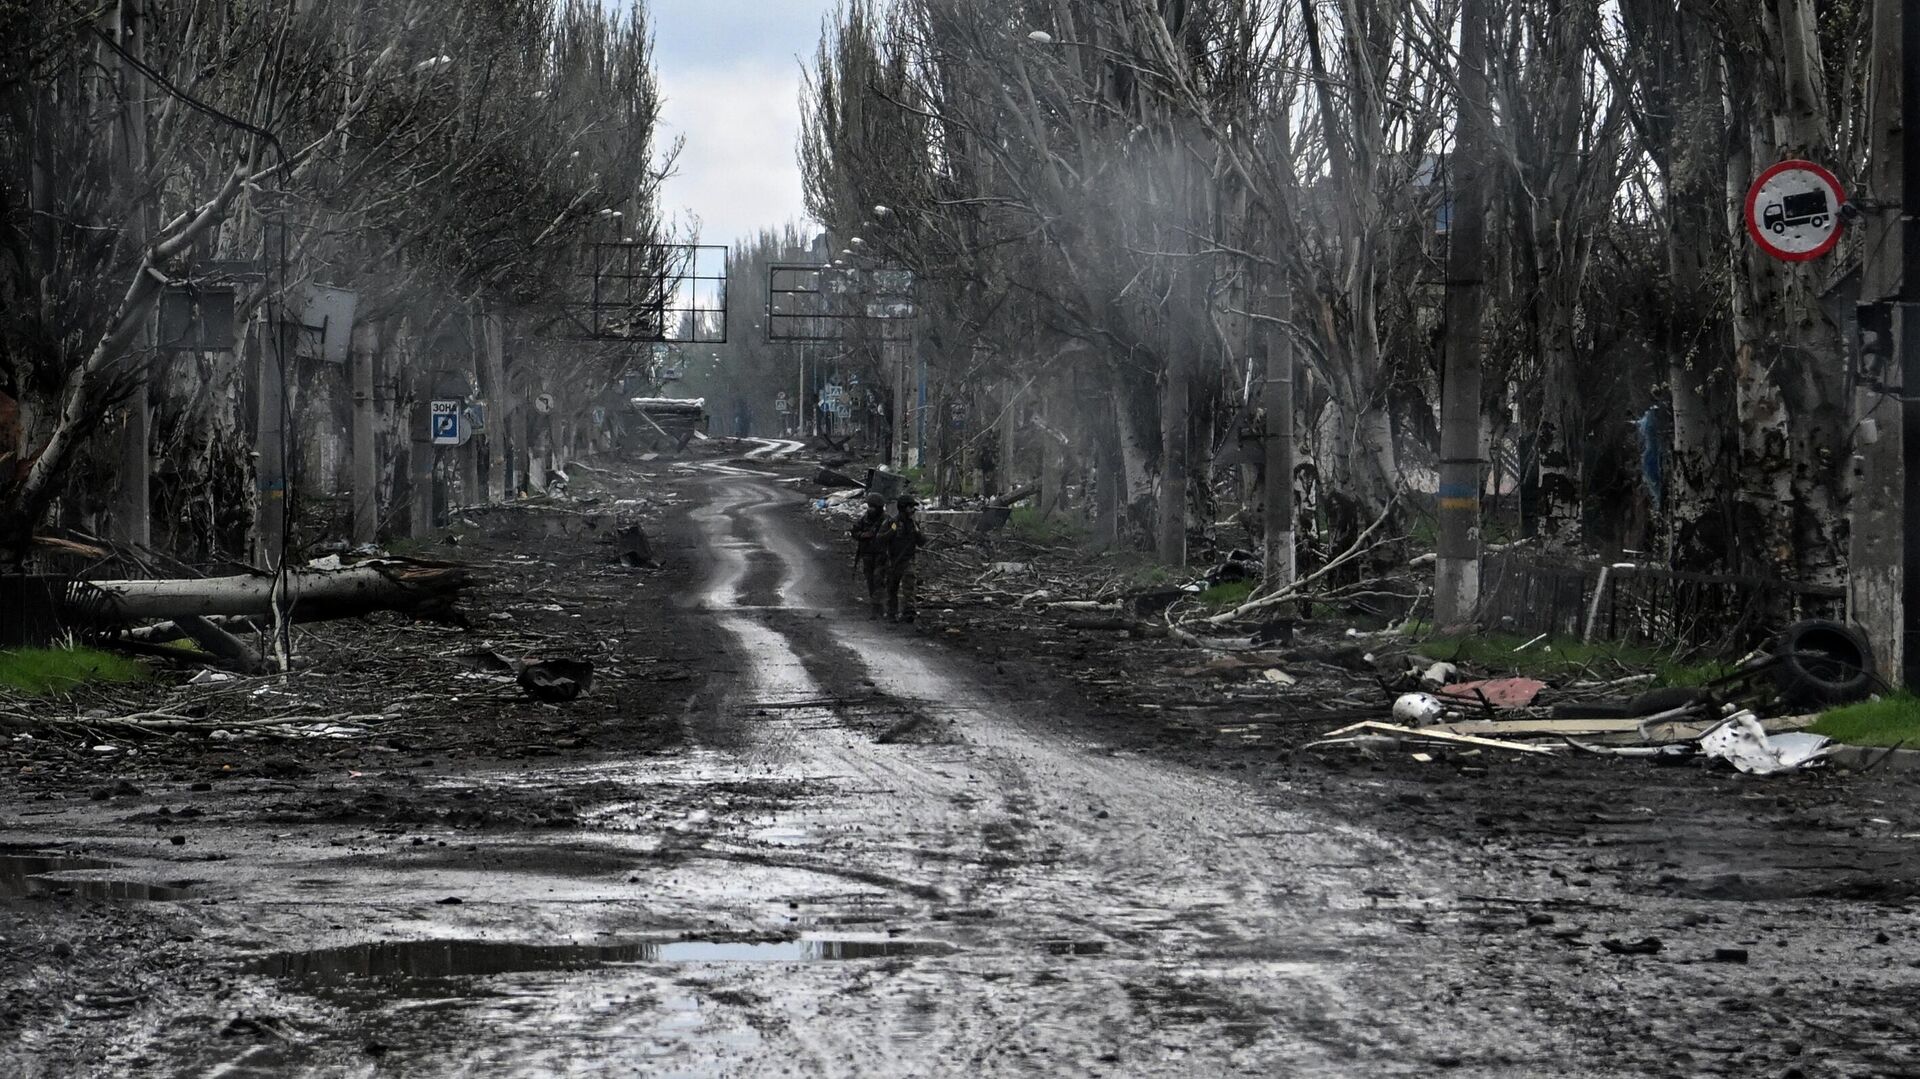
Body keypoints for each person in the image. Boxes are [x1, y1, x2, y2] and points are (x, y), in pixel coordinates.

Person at [880, 494, 924, 623]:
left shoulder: (914, 524)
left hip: (908, 560)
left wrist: (917, 533)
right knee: (892, 587)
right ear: (903, 508)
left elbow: (922, 542)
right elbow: (881, 538)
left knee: (909, 585)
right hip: (893, 560)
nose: (913, 510)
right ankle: (892, 612)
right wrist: (892, 531)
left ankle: (909, 611)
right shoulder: (892, 522)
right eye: (910, 507)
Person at [851, 493, 888, 618]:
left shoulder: (887, 520)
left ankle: (877, 607)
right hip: (867, 554)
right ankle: (875, 603)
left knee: (879, 580)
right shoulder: (864, 519)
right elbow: (855, 531)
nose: (870, 509)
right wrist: (862, 535)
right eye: (869, 506)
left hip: (881, 555)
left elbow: (894, 532)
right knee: (870, 580)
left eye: (873, 507)